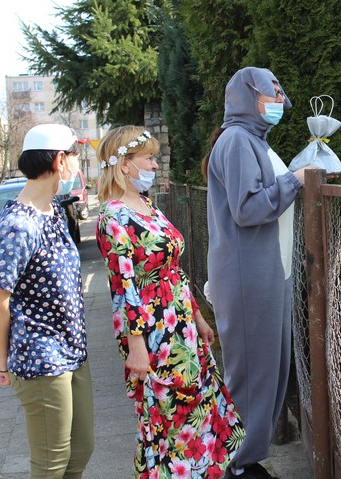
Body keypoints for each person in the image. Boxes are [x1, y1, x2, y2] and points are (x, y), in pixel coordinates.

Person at [95, 126, 244, 479]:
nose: (154, 165)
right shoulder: (113, 217)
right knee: (171, 417)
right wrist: (136, 347)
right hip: (154, 335)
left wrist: (198, 317)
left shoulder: (146, 206)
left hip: (182, 328)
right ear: (125, 164)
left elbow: (172, 270)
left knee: (200, 410)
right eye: (148, 158)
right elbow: (124, 287)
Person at [202, 67, 314, 479]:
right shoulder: (236, 140)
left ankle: (245, 459)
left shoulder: (252, 140)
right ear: (249, 96)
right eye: (273, 92)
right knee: (252, 373)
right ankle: (235, 463)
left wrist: (299, 175)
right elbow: (248, 208)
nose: (280, 100)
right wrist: (295, 181)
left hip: (266, 273)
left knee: (268, 370)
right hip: (249, 276)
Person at [0, 123, 94, 479]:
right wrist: (3, 361)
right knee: (51, 463)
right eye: (75, 155)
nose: (78, 162)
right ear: (60, 161)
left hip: (72, 351)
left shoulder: (53, 212)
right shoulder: (19, 224)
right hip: (41, 359)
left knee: (81, 450)